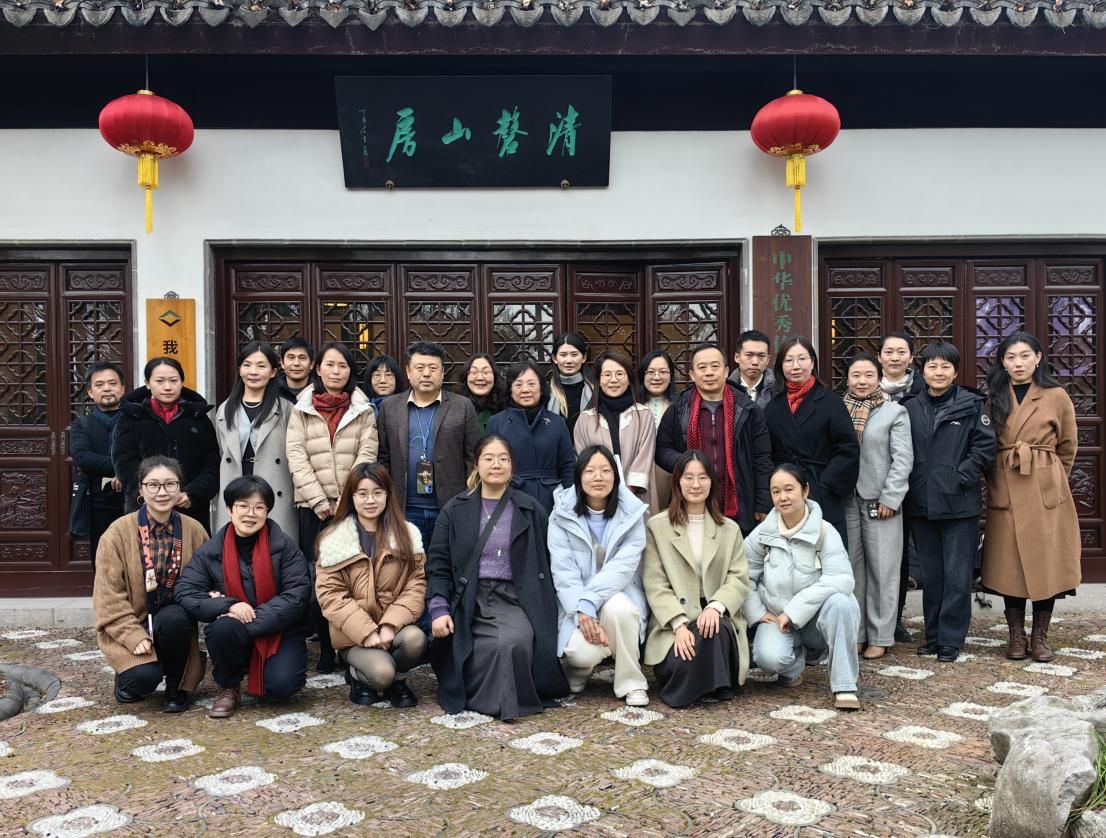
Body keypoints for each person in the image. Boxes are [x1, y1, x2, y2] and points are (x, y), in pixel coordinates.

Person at [426, 435, 570, 719]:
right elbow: (438, 563)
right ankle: (480, 695)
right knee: (478, 645)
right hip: (470, 598)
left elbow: (548, 558)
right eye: (489, 458)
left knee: (513, 641)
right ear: (476, 465)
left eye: (503, 459)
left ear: (512, 466)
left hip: (515, 596)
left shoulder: (531, 508)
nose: (496, 465)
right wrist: (438, 608)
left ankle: (504, 701)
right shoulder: (455, 509)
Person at [175, 475, 311, 719]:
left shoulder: (284, 547)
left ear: (267, 512)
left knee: (282, 686)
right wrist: (228, 605)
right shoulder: (211, 551)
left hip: (279, 631)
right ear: (230, 509)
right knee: (222, 629)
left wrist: (246, 618)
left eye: (259, 507)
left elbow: (296, 596)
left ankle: (256, 661)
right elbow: (185, 591)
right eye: (243, 506)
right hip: (232, 630)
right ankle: (229, 686)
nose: (251, 514)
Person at [982, 332, 1080, 662]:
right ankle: (1016, 635)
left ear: (1038, 358)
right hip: (1006, 482)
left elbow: (1068, 445)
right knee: (1008, 563)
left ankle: (1040, 636)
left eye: (1025, 356)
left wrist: (1052, 477)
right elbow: (985, 443)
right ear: (1003, 362)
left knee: (1044, 563)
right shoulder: (994, 396)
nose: (1018, 363)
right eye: (1010, 357)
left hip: (1044, 487)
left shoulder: (1056, 395)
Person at [287, 341, 378, 672]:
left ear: (350, 371)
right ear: (318, 368)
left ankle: (349, 643)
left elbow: (367, 454)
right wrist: (317, 499)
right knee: (318, 578)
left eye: (343, 366)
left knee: (354, 577)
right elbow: (296, 455)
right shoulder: (301, 408)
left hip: (352, 509)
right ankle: (325, 647)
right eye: (330, 364)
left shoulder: (363, 410)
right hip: (311, 509)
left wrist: (346, 501)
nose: (336, 371)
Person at [903, 342, 997, 663]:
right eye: (932, 366)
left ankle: (951, 639)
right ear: (923, 371)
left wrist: (960, 476)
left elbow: (984, 449)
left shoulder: (972, 405)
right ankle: (933, 636)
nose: (939, 372)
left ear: (956, 372)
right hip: (921, 502)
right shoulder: (909, 407)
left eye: (946, 366)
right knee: (932, 575)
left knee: (957, 575)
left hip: (959, 503)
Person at [743, 464, 862, 710]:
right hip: (778, 618)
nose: (782, 497)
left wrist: (794, 611)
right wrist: (757, 612)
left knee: (842, 603)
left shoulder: (825, 532)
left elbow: (842, 579)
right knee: (768, 658)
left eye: (789, 489)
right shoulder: (763, 534)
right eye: (776, 491)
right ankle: (794, 666)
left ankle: (845, 685)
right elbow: (743, 576)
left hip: (817, 620)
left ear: (805, 491)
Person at [93, 456, 207, 713]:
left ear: (179, 488)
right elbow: (108, 597)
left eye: (170, 484)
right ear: (141, 490)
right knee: (144, 678)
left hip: (174, 623)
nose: (162, 492)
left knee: (175, 618)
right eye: (153, 485)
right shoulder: (117, 533)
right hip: (134, 621)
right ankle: (129, 677)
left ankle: (176, 687)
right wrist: (132, 635)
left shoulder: (194, 530)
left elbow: (207, 577)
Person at [642, 451, 750, 708]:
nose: (695, 484)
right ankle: (715, 682)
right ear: (677, 482)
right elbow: (655, 583)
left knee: (717, 630)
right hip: (674, 624)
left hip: (716, 617)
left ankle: (697, 681)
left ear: (712, 482)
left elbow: (738, 578)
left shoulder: (729, 529)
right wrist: (679, 625)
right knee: (691, 647)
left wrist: (715, 607)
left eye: (702, 477)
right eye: (688, 477)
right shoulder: (657, 527)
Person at [316, 463, 427, 708]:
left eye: (377, 492)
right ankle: (358, 676)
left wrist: (389, 625)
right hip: (353, 634)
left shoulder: (408, 535)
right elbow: (331, 596)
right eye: (362, 493)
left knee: (416, 640)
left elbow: (416, 585)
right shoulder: (333, 539)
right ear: (351, 497)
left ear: (388, 495)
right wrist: (366, 631)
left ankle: (399, 680)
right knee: (381, 674)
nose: (370, 500)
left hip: (394, 628)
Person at [548, 446, 650, 707]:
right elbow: (563, 573)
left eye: (606, 471)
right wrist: (581, 610)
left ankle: (632, 681)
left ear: (616, 476)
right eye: (590, 471)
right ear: (579, 477)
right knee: (580, 653)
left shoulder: (632, 514)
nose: (598, 477)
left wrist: (589, 602)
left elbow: (623, 568)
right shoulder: (560, 515)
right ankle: (580, 668)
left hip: (619, 592)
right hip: (576, 601)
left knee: (620, 610)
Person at [655, 343, 773, 535]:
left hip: (740, 504)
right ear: (692, 375)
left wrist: (763, 503)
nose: (709, 372)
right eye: (702, 367)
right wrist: (687, 463)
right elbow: (661, 450)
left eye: (715, 366)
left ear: (726, 371)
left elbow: (762, 459)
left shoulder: (748, 410)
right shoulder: (678, 409)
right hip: (690, 501)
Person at [842, 353, 913, 660]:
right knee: (852, 570)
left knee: (883, 570)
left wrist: (891, 498)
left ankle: (881, 635)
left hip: (881, 501)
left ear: (879, 378)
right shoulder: (839, 409)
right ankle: (856, 633)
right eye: (856, 375)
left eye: (868, 375)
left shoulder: (894, 412)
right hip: (847, 500)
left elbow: (903, 459)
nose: (862, 381)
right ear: (847, 378)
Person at [377, 341, 481, 549]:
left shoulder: (462, 406)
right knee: (408, 564)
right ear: (408, 372)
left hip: (450, 507)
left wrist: (468, 500)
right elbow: (383, 457)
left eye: (433, 368)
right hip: (405, 509)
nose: (426, 374)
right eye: (420, 367)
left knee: (447, 562)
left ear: (442, 373)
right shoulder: (390, 407)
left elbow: (473, 458)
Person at [763, 337, 859, 548]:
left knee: (826, 553)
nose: (796, 366)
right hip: (786, 494)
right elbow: (766, 453)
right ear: (781, 366)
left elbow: (848, 449)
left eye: (802, 359)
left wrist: (826, 484)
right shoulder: (773, 407)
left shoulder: (831, 402)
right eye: (789, 360)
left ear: (813, 362)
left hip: (822, 491)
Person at [112, 357, 220, 534]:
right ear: (148, 383)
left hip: (189, 507)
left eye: (173, 380)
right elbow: (124, 461)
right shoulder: (131, 417)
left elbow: (211, 463)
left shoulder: (198, 417)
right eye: (160, 381)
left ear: (182, 382)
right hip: (144, 505)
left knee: (193, 550)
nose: (167, 387)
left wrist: (193, 494)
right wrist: (151, 492)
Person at [215, 342, 297, 543]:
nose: (253, 371)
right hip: (236, 488)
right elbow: (222, 451)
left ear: (273, 372)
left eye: (261, 366)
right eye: (247, 365)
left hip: (274, 490)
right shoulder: (225, 410)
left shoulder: (286, 409)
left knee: (274, 549)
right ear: (239, 369)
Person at [879, 331, 926, 644]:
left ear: (911, 356)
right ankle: (885, 618)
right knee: (885, 554)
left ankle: (897, 618)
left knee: (908, 553)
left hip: (918, 481)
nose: (895, 357)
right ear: (880, 356)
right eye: (889, 351)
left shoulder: (924, 389)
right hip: (877, 485)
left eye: (901, 352)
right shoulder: (866, 386)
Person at [486, 361, 575, 514]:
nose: (525, 389)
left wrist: (569, 501)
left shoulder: (557, 422)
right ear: (510, 390)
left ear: (541, 388)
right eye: (518, 384)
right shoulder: (496, 422)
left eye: (531, 384)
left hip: (552, 501)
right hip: (509, 497)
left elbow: (568, 466)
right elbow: (487, 464)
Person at [574, 351, 657, 507]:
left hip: (635, 497)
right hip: (597, 496)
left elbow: (645, 455)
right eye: (607, 375)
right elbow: (582, 459)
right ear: (599, 381)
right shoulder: (585, 419)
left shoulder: (643, 415)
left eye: (620, 374)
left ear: (629, 379)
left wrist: (628, 492)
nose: (613, 380)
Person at [70, 362, 127, 567]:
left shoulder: (136, 420)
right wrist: (122, 468)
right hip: (98, 501)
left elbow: (147, 454)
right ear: (90, 392)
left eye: (112, 383)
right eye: (100, 384)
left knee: (136, 556)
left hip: (135, 498)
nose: (107, 388)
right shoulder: (82, 424)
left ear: (122, 388)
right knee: (103, 558)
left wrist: (125, 474)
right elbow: (83, 456)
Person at [638, 350, 676, 511]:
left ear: (671, 376)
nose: (657, 377)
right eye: (651, 372)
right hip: (639, 475)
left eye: (663, 372)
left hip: (671, 474)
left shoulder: (680, 407)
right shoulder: (631, 407)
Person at [547, 333, 593, 433]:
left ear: (584, 357)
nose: (569, 360)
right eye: (563, 355)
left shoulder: (595, 391)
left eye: (574, 355)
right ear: (555, 358)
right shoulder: (546, 392)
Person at [458, 353, 506, 433]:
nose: (480, 378)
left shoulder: (506, 408)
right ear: (465, 377)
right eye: (474, 372)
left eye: (486, 372)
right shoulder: (455, 408)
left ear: (495, 376)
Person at [728, 329, 776, 408]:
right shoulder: (725, 390)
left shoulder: (778, 390)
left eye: (761, 356)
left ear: (768, 360)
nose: (755, 362)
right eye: (749, 355)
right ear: (737, 357)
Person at [279, 336, 317, 401]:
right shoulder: (270, 390)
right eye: (291, 358)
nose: (296, 363)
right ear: (282, 363)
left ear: (311, 364)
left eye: (302, 358)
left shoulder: (320, 391)